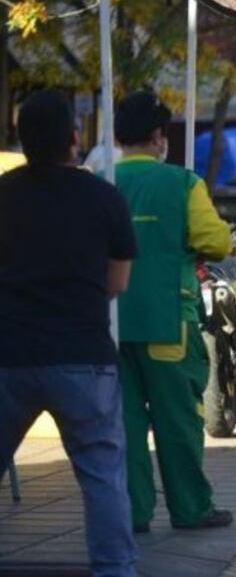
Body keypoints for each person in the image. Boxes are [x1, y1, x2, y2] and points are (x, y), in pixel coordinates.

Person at [0, 90, 138, 576]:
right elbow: (116, 283)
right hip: (83, 353)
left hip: (8, 353)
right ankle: (114, 569)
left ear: (20, 138)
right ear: (74, 139)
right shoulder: (104, 197)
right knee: (102, 475)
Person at [113, 91, 234, 533]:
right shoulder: (183, 183)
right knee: (178, 421)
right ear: (159, 137)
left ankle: (132, 513)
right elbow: (215, 243)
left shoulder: (100, 182)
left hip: (111, 324)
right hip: (169, 322)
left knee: (124, 424)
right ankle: (191, 509)